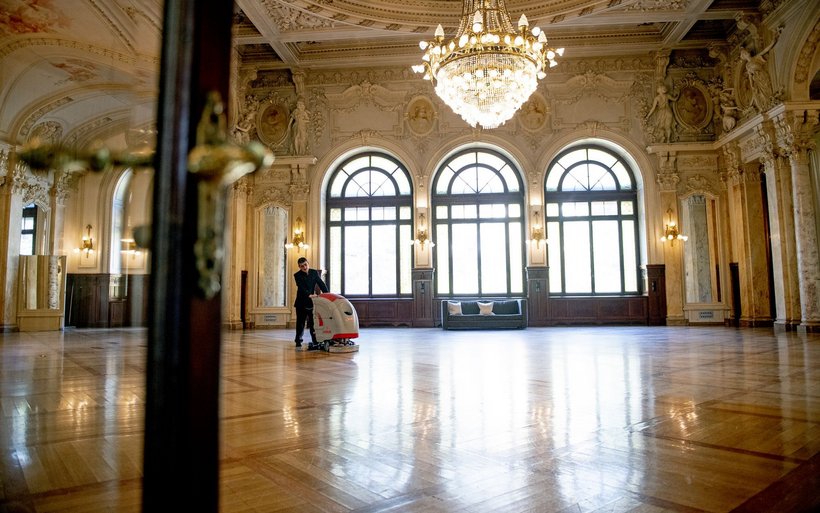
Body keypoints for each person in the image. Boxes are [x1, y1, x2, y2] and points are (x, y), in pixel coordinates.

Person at [293, 256, 328, 349]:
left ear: (308, 263)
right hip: (301, 302)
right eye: (301, 266)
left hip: (311, 302)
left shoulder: (314, 272)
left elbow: (321, 283)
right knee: (300, 323)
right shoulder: (297, 275)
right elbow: (301, 287)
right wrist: (309, 294)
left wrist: (327, 294)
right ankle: (298, 341)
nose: (304, 267)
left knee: (313, 323)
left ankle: (315, 341)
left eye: (305, 265)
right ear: (299, 267)